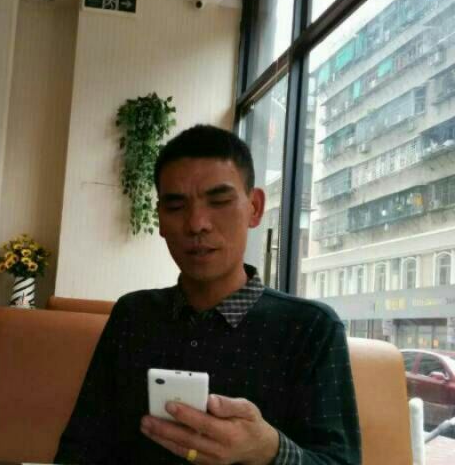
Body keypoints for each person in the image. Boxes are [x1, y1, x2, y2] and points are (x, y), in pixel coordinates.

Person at [55, 124, 361, 465]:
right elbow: (80, 447)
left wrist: (268, 449)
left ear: (255, 208)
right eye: (176, 206)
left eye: (219, 201)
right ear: (160, 219)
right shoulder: (133, 315)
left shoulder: (310, 328)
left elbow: (340, 460)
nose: (197, 223)